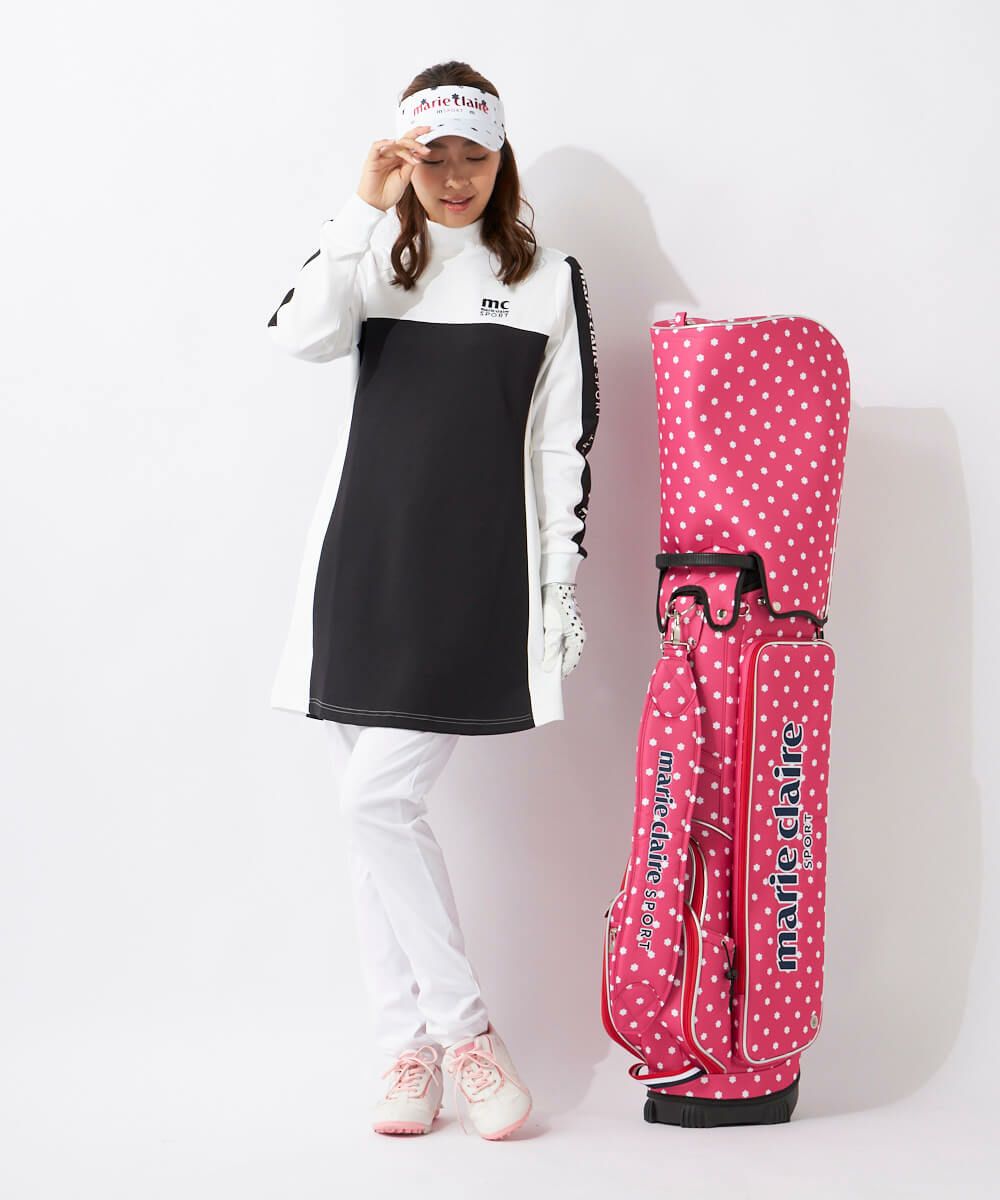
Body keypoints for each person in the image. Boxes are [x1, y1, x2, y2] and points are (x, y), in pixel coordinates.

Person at [266, 62, 601, 1140]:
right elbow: (297, 334)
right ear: (404, 162)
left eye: (473, 156)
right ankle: (406, 1052)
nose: (453, 178)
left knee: (374, 804)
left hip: (471, 581)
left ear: (502, 159)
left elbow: (560, 446)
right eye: (432, 158)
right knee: (371, 819)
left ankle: (464, 1035)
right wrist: (359, 206)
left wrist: (555, 588)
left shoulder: (547, 280)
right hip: (359, 571)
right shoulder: (373, 258)